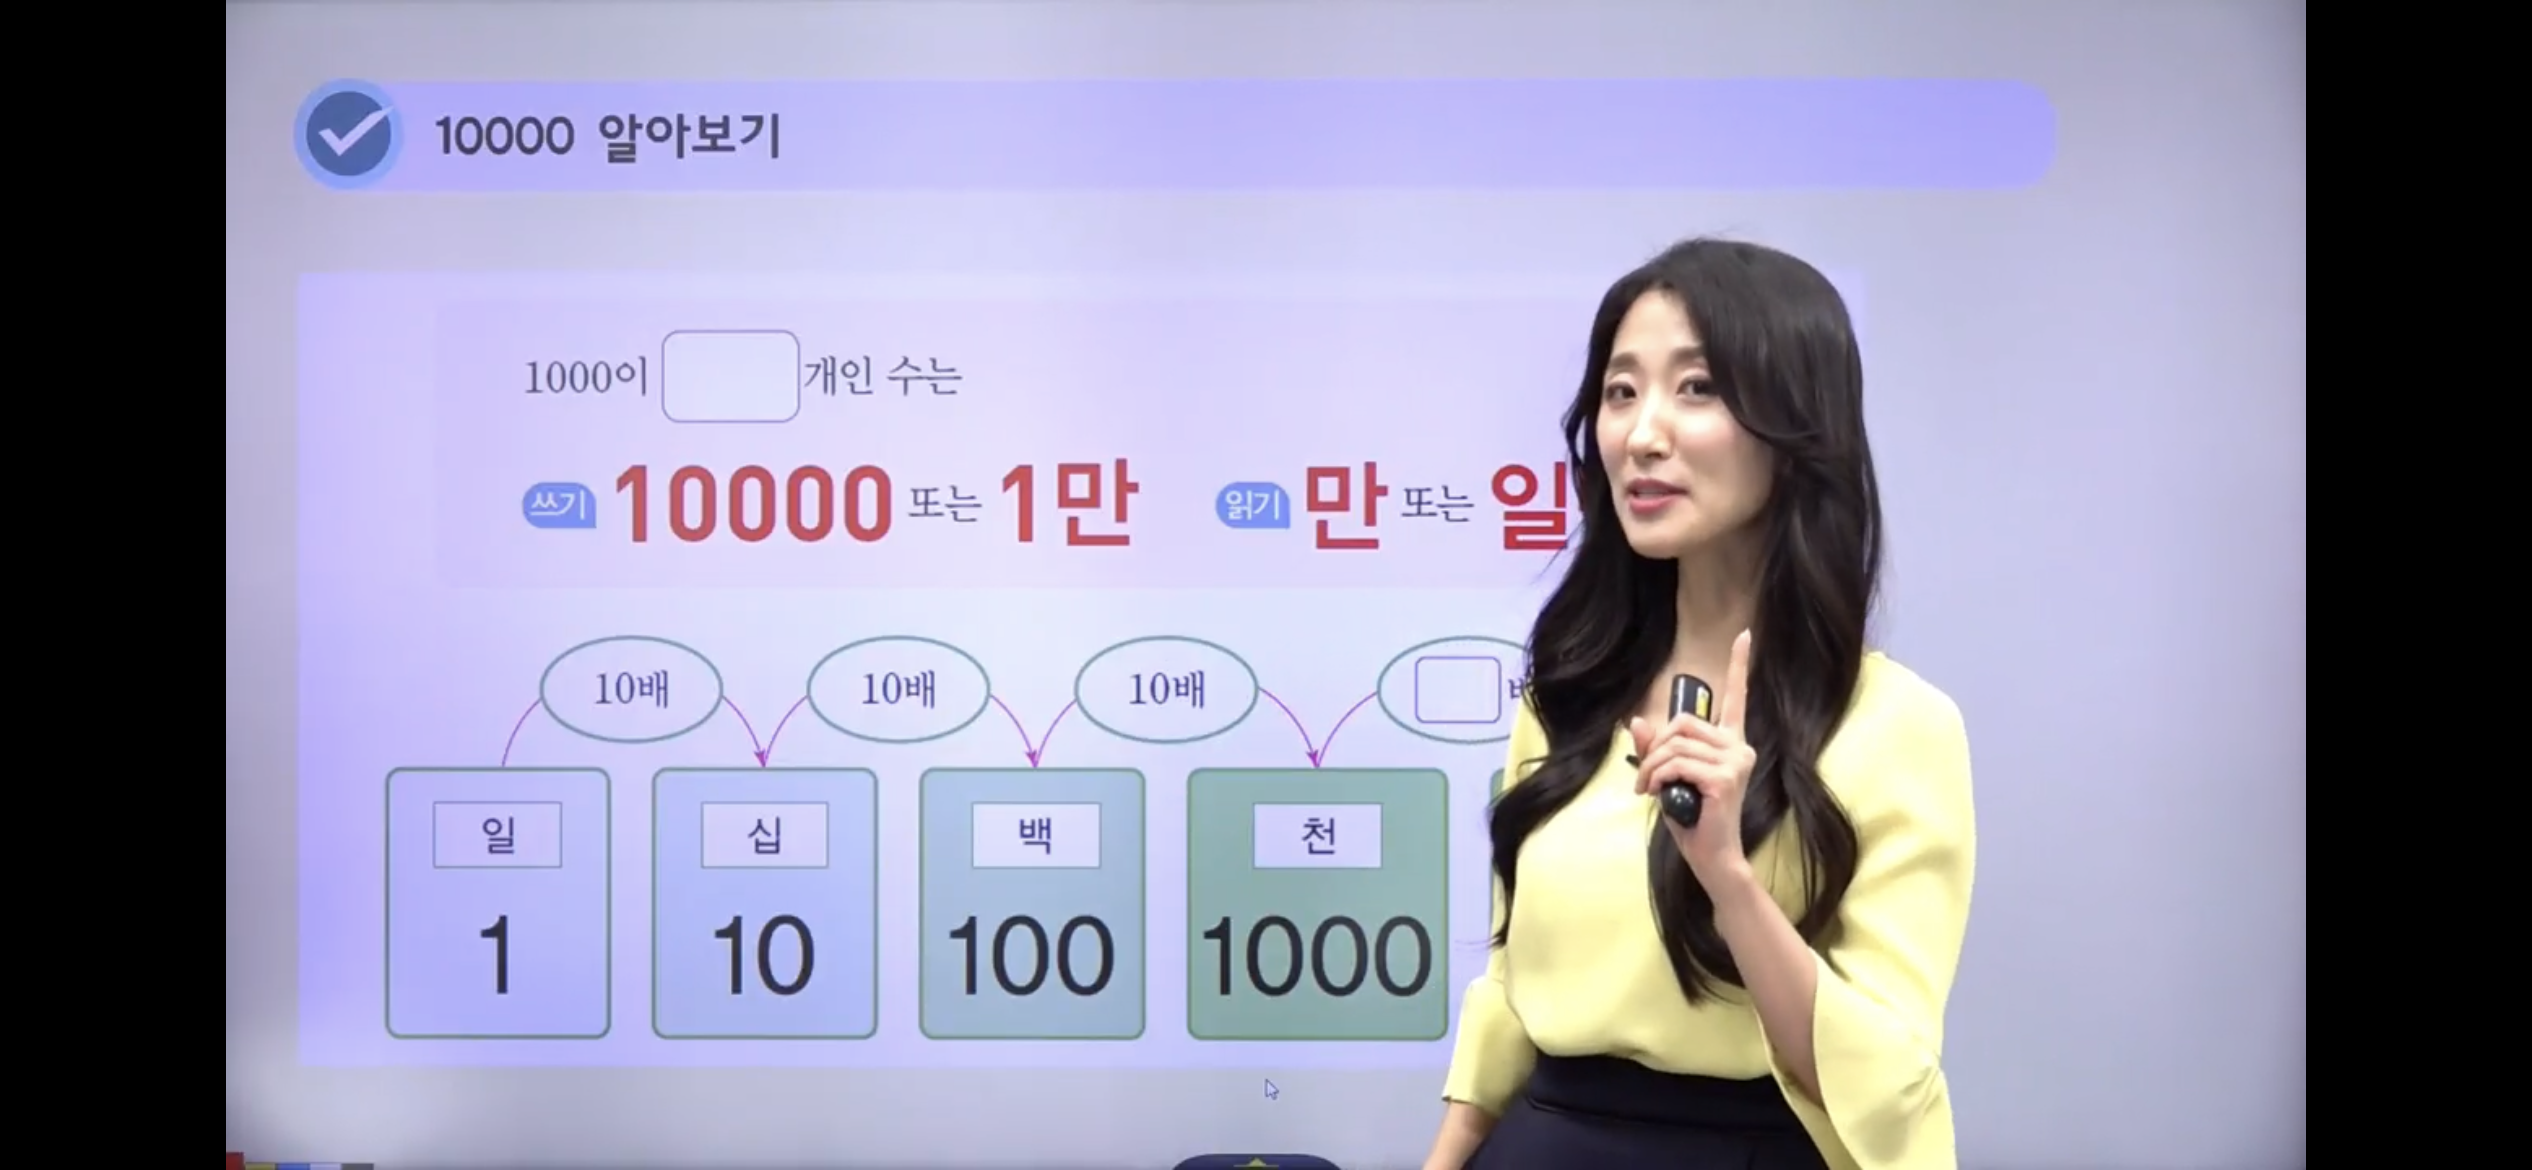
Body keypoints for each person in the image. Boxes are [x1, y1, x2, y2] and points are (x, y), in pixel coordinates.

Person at [1422, 238, 1977, 1170]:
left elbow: (1885, 1086)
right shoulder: (1569, 696)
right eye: (1621, 391)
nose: (1643, 434)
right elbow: (1508, 997)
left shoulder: (1898, 727)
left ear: (1795, 428)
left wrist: (1726, 876)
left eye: (1697, 389)